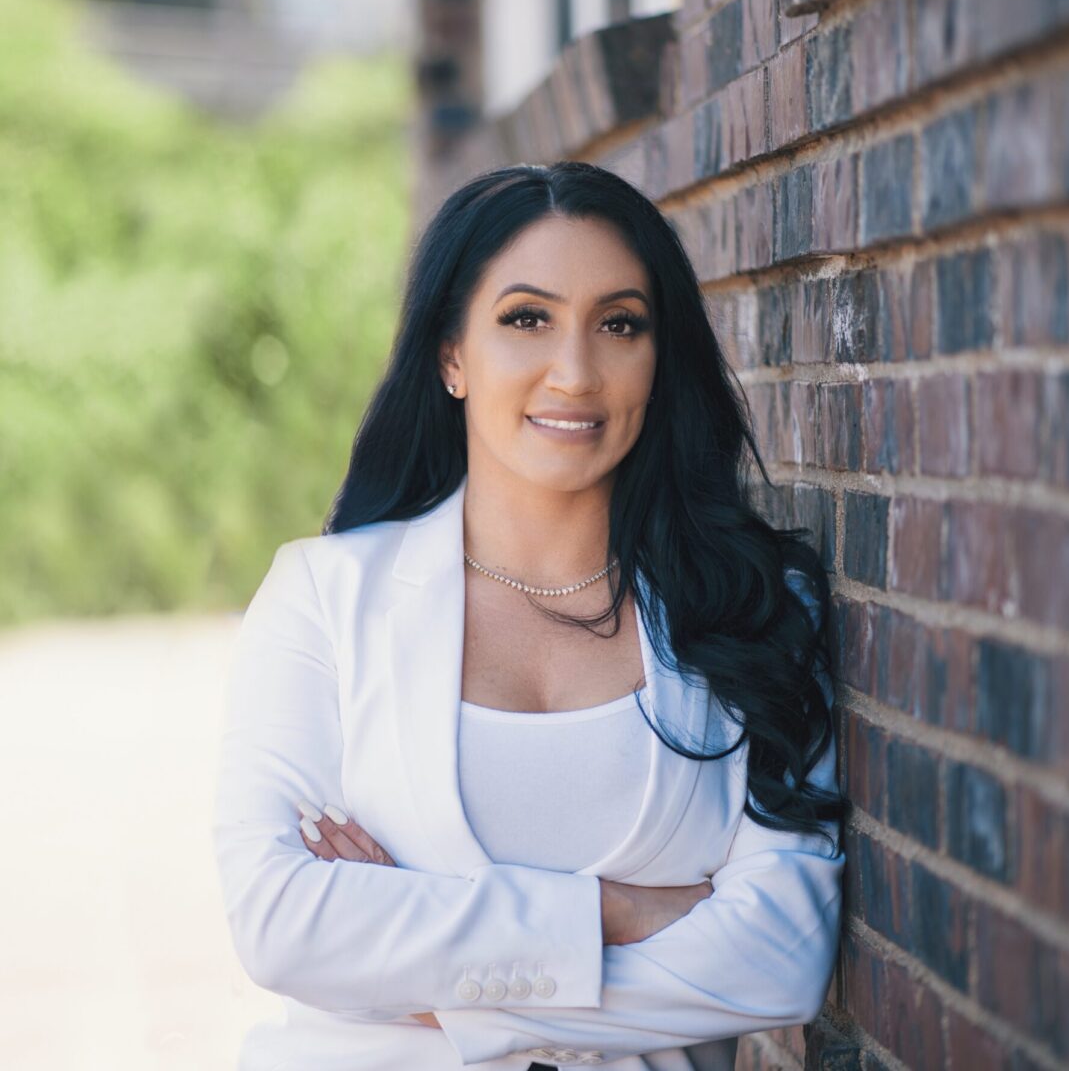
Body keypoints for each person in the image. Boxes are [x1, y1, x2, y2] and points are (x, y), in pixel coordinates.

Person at [211, 160, 850, 1071]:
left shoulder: (751, 608)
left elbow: (779, 960)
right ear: (452, 355)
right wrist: (616, 914)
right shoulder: (325, 598)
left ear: (657, 357)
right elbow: (280, 923)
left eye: (619, 324)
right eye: (526, 319)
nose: (576, 371)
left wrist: (455, 987)